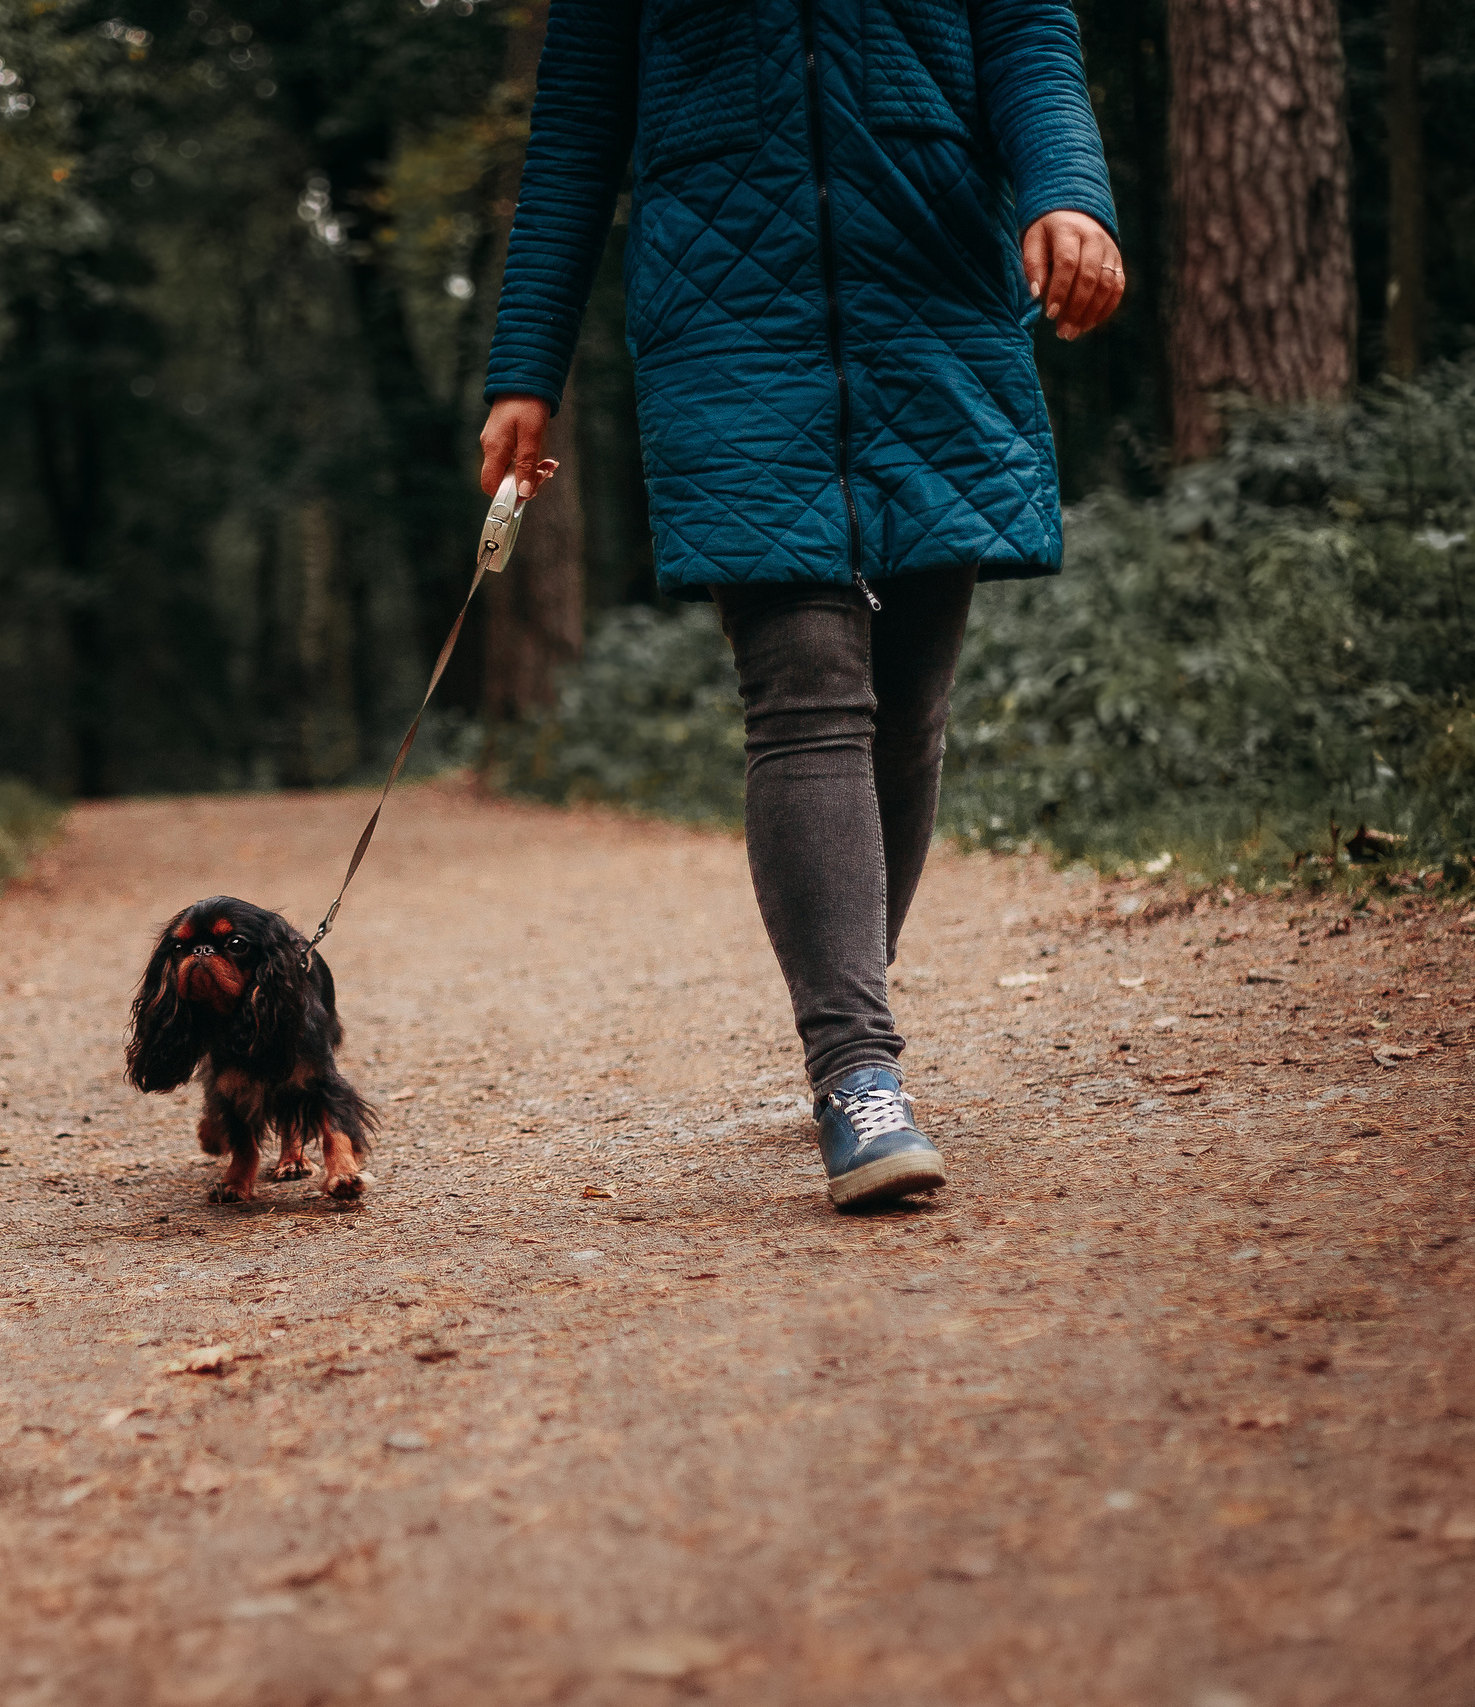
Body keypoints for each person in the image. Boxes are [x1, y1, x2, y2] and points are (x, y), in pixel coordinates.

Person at [479, 0, 1123, 1211]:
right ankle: (856, 1070)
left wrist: (1068, 193)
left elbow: (1027, 39)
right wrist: (526, 369)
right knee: (806, 693)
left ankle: (847, 985)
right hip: (727, 331)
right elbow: (574, 134)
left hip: (932, 305)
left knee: (908, 709)